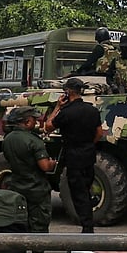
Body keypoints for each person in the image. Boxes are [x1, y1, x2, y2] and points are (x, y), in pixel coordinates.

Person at [2, 106, 59, 253]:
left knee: (21, 227)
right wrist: (53, 163)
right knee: (39, 228)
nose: (36, 122)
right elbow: (44, 166)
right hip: (37, 190)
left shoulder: (8, 139)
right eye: (34, 119)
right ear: (26, 122)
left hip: (17, 188)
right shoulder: (34, 141)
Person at [44, 78, 104, 233]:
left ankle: (87, 228)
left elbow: (47, 127)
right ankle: (88, 223)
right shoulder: (92, 110)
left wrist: (57, 106)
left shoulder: (66, 112)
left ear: (68, 91)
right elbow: (99, 133)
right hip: (89, 154)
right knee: (87, 189)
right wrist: (88, 144)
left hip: (73, 155)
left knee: (78, 194)